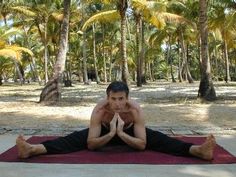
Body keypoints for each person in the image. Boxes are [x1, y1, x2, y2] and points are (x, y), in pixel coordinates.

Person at [16, 81, 216, 160]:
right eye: (113, 99)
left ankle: (197, 150)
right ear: (107, 98)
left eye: (121, 99)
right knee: (70, 140)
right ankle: (32, 149)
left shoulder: (135, 110)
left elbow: (142, 145)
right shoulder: (100, 111)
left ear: (127, 98)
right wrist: (111, 132)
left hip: (127, 132)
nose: (118, 104)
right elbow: (91, 145)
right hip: (105, 131)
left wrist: (120, 133)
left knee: (162, 140)